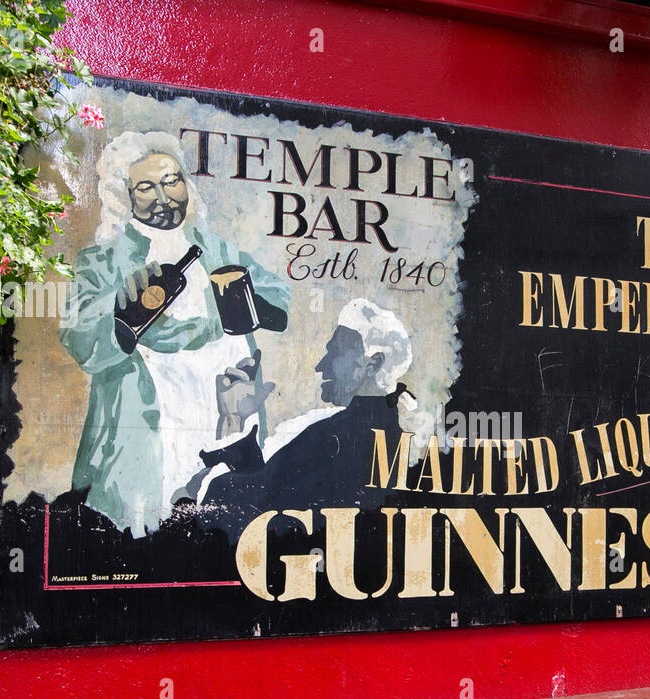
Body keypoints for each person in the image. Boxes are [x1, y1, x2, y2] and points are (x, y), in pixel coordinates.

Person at [59, 131, 290, 536]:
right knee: (154, 530)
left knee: (224, 526)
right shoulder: (103, 261)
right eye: (147, 187)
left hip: (224, 408)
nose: (165, 197)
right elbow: (81, 341)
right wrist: (122, 312)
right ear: (124, 195)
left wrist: (245, 302)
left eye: (172, 181)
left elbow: (279, 303)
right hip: (153, 418)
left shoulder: (217, 249)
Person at [193, 299, 413, 536]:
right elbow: (273, 492)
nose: (321, 366)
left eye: (335, 352)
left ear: (373, 364)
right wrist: (235, 421)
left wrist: (232, 421)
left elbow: (251, 511)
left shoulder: (340, 436)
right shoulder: (372, 433)